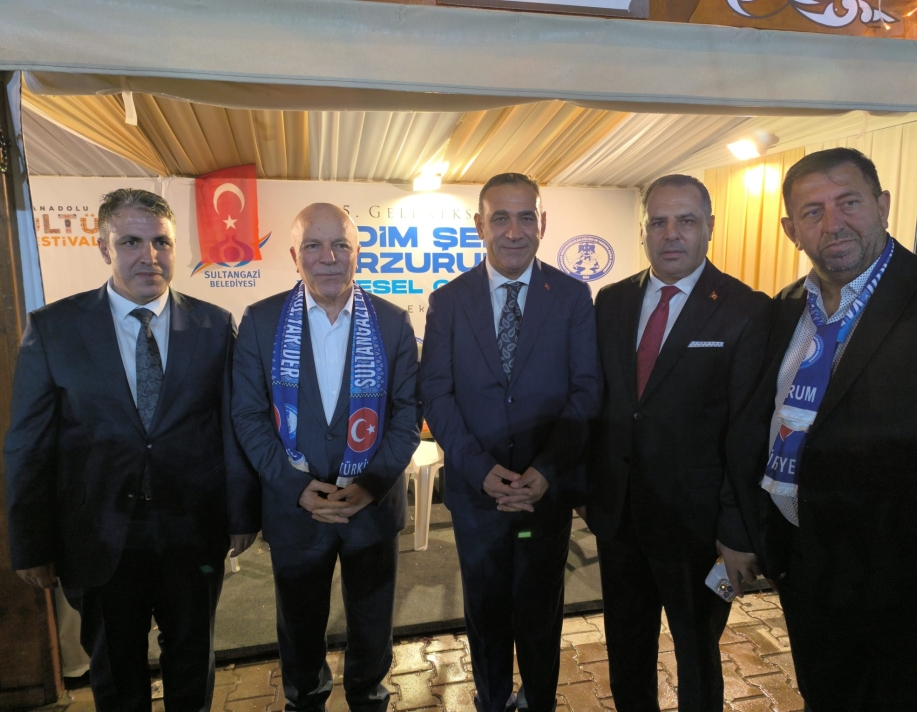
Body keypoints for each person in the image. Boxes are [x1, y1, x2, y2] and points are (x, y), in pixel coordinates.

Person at [4, 188, 259, 711]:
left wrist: (242, 515)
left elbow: (231, 430)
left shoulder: (214, 325)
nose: (149, 256)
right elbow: (29, 443)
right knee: (116, 676)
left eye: (161, 242)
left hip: (193, 533)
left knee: (192, 664)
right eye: (131, 242)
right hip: (97, 537)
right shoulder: (53, 329)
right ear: (103, 248)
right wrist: (30, 543)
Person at [727, 147, 917, 710]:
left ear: (882, 205)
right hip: (807, 569)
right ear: (791, 230)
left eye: (849, 202)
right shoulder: (784, 310)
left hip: (912, 588)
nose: (833, 223)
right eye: (813, 211)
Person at [586, 175, 769, 712]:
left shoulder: (745, 309)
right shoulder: (612, 300)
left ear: (709, 226)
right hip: (619, 518)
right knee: (626, 648)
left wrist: (736, 529)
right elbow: (603, 403)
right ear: (643, 229)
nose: (671, 234)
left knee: (697, 656)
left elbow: (748, 430)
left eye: (686, 221)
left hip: (699, 530)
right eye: (659, 222)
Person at [419, 173, 601, 712]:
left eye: (526, 217)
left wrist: (546, 470)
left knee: (542, 610)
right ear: (480, 225)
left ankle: (540, 701)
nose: (514, 231)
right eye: (500, 217)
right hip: (478, 496)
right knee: (485, 611)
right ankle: (493, 699)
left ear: (542, 223)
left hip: (546, 493)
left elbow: (586, 391)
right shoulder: (448, 301)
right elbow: (436, 394)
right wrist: (480, 470)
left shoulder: (572, 296)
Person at [231, 203, 420, 712]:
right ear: (294, 256)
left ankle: (368, 699)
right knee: (299, 631)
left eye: (340, 245)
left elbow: (408, 414)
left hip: (371, 510)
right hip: (295, 511)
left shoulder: (393, 322)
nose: (328, 257)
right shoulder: (261, 321)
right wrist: (295, 487)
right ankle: (305, 702)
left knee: (373, 629)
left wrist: (371, 485)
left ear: (357, 253)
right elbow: (247, 415)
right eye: (313, 246)